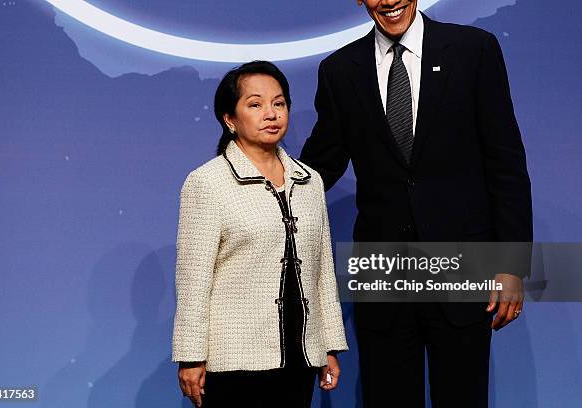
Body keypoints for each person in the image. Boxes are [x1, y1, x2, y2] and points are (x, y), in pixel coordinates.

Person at [299, 1, 532, 407]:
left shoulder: (472, 50)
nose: (388, 1)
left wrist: (511, 264)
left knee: (462, 397)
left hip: (461, 266)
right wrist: (258, 178)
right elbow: (321, 166)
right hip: (384, 271)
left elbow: (505, 160)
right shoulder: (340, 69)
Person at [172, 61, 348, 408]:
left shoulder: (309, 181)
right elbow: (193, 278)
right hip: (234, 359)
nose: (270, 113)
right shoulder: (208, 183)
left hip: (299, 356)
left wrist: (327, 346)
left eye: (278, 103)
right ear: (229, 119)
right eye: (255, 104)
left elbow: (322, 272)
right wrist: (191, 355)